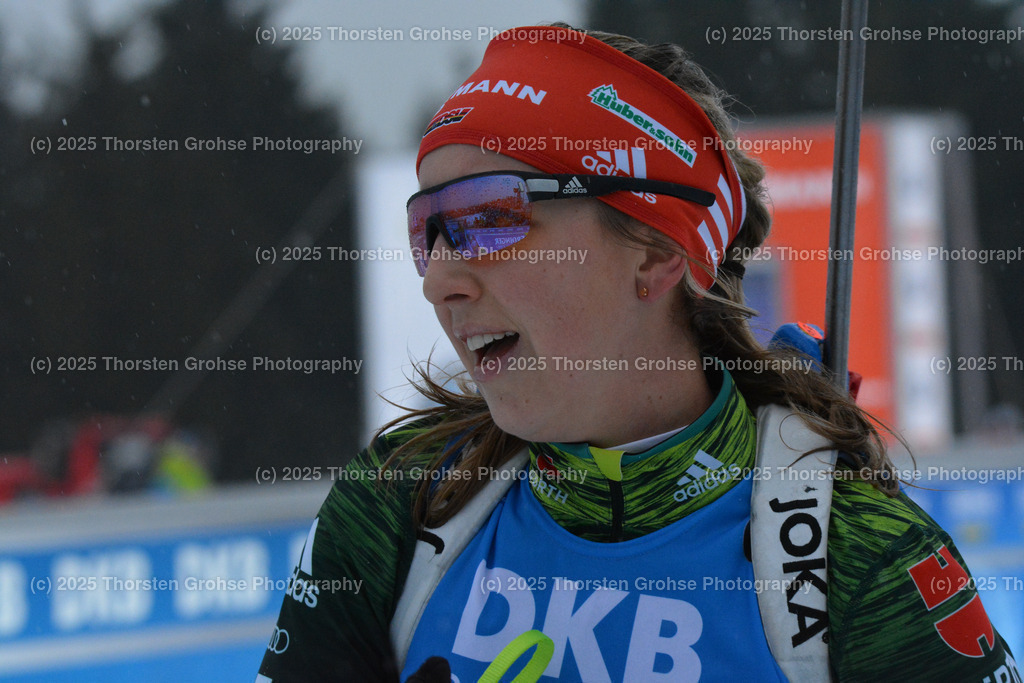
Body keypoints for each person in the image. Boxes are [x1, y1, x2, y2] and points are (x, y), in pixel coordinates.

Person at [257, 24, 1017, 682]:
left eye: (488, 216)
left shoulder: (855, 560)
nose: (439, 281)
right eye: (428, 229)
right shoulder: (404, 499)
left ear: (655, 252)